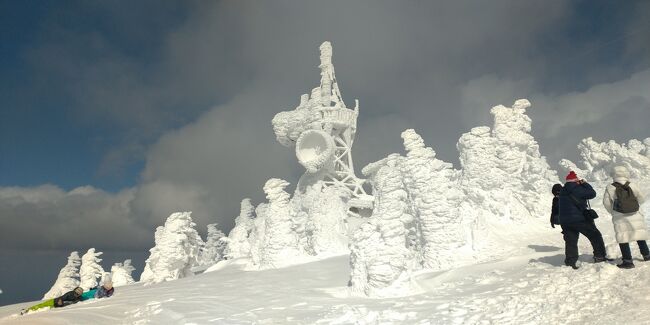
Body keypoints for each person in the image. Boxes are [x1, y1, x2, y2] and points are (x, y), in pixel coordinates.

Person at [558, 171, 611, 269]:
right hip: (579, 219)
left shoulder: (563, 190)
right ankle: (599, 256)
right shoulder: (577, 188)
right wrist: (584, 183)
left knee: (571, 241)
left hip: (565, 221)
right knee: (595, 235)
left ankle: (570, 262)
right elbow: (592, 194)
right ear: (575, 180)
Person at [602, 166, 649, 269]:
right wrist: (634, 206)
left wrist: (614, 212)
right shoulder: (632, 185)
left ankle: (628, 261)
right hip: (635, 214)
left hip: (620, 217)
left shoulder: (610, 187)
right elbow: (641, 198)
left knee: (623, 237)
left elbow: (606, 203)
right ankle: (647, 255)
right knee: (639, 235)